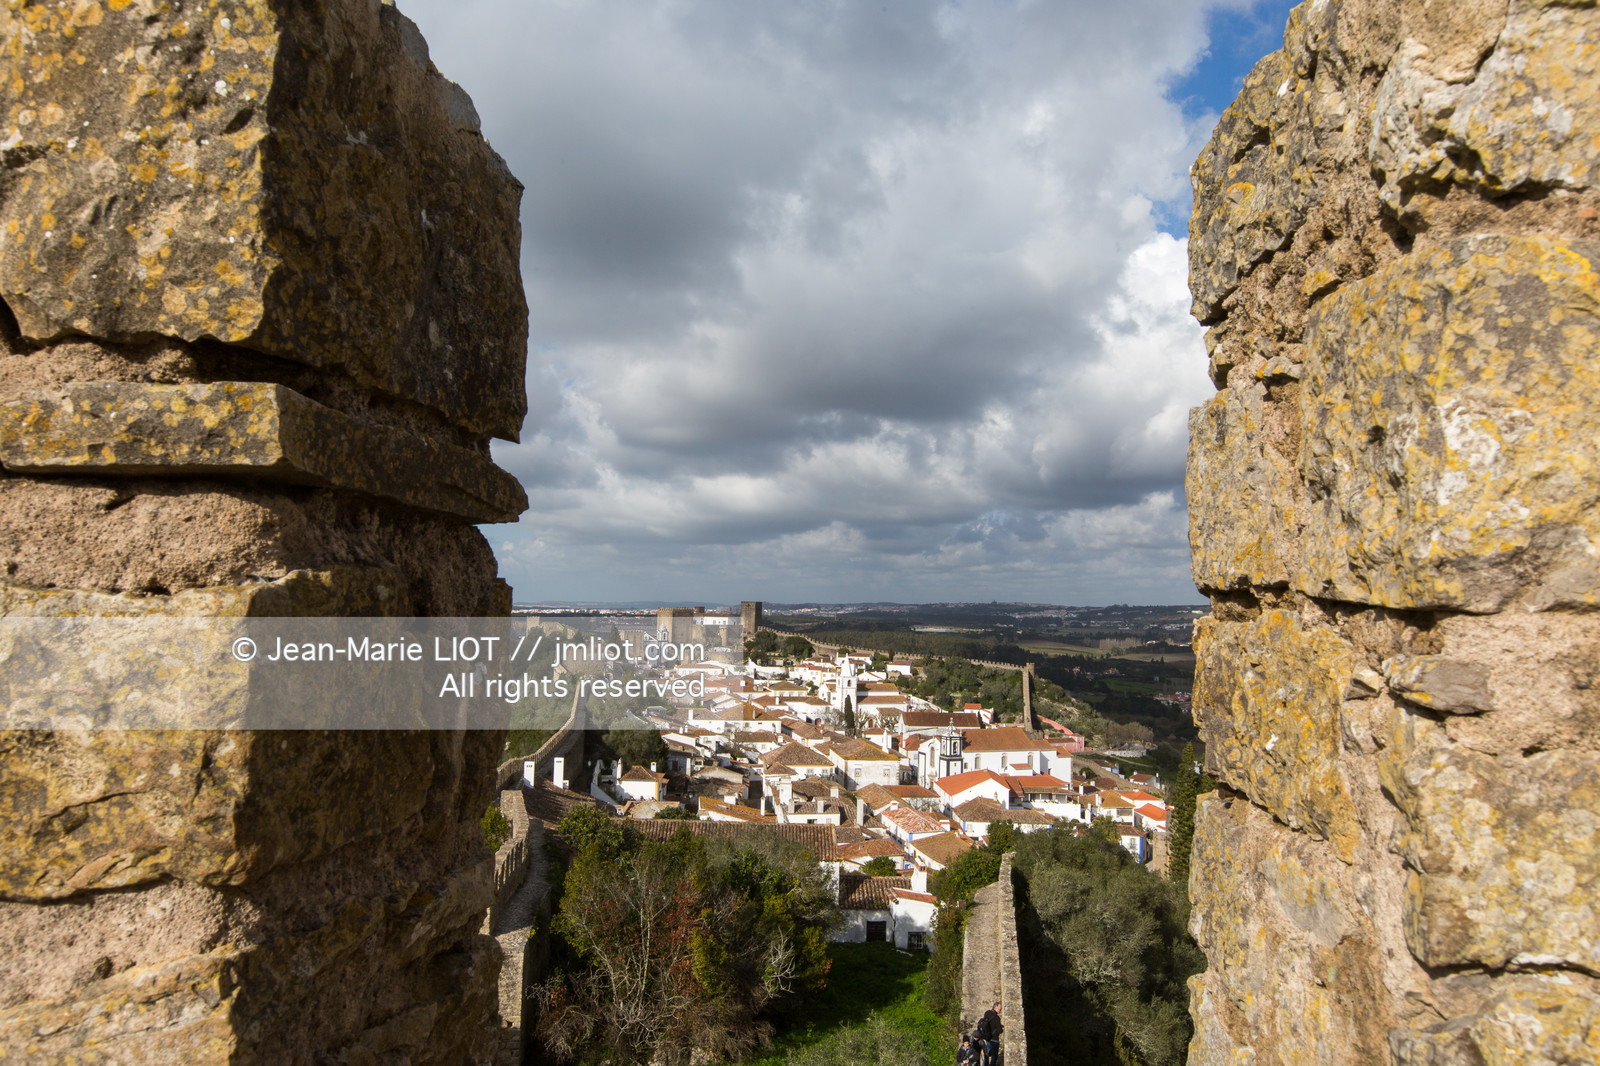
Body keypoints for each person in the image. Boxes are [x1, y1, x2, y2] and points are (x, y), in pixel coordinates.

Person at [977, 1002, 1002, 1066]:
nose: (1000, 1011)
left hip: (987, 1038)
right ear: (996, 1008)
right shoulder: (996, 1018)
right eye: (1000, 1009)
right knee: (994, 1055)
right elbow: (1000, 1030)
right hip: (994, 1039)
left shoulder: (987, 1013)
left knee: (986, 1054)